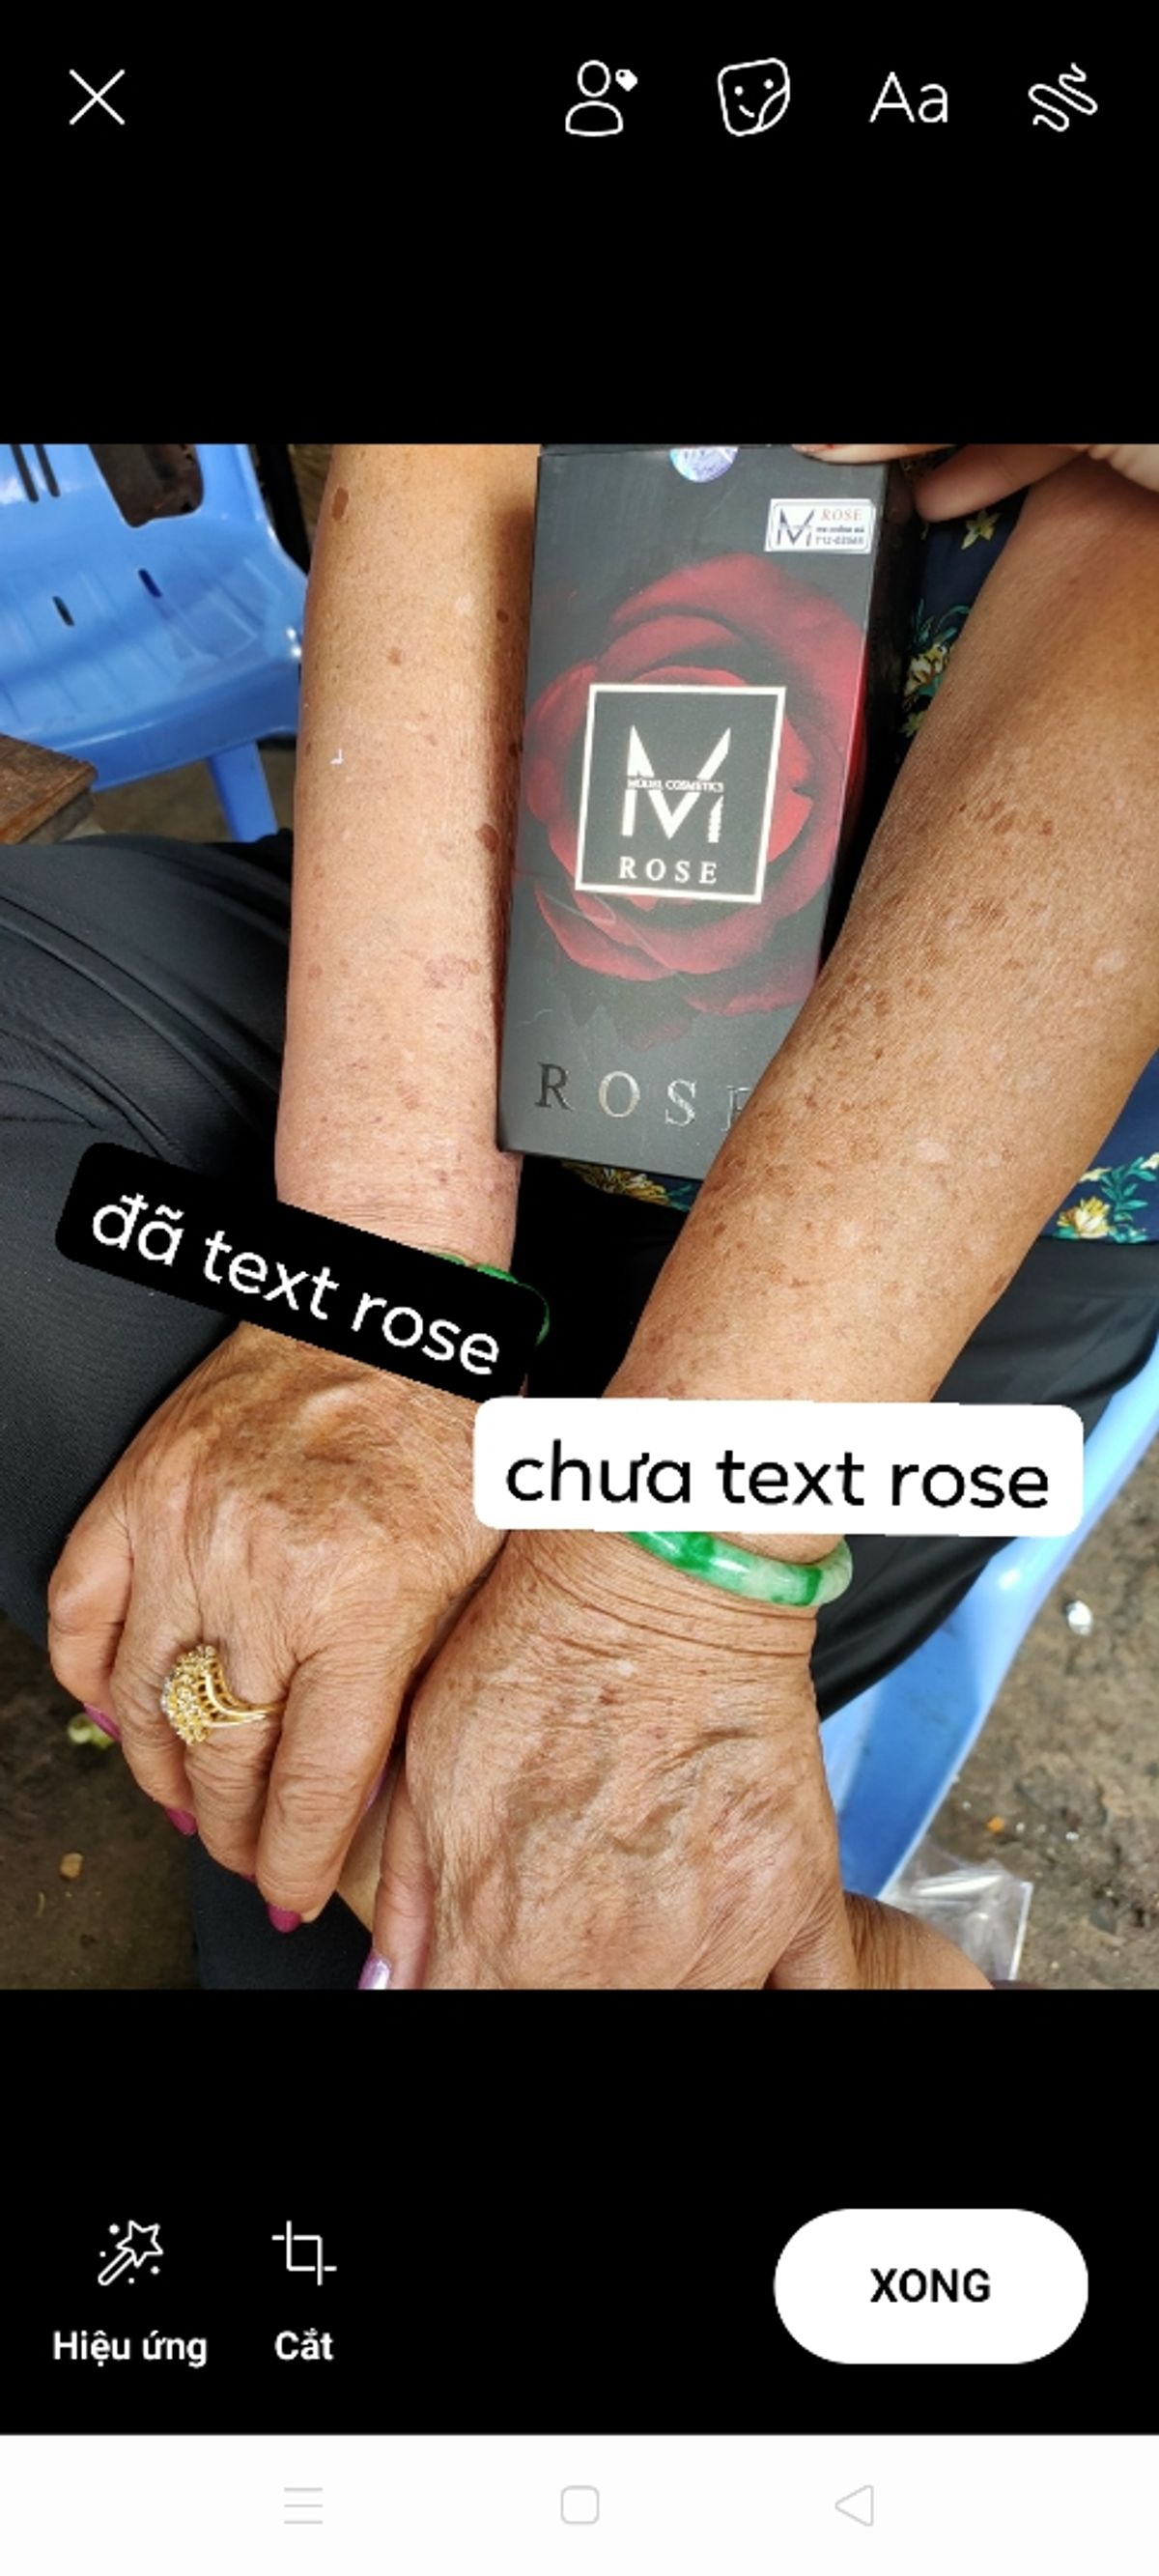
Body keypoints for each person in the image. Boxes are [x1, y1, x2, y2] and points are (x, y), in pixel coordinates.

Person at [4, 442, 1157, 1989]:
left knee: (497, 1770)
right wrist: (379, 1302)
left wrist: (674, 1583)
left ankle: (394, 1870)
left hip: (979, 1184)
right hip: (473, 909)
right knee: (479, 1781)